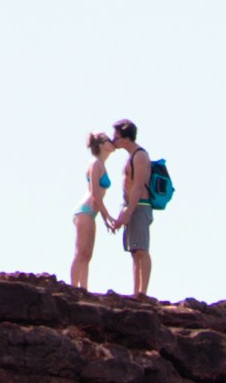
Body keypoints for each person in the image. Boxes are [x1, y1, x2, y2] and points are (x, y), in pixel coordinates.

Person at [112, 116, 162, 302]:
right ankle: (136, 292)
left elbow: (139, 186)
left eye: (116, 137)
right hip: (131, 207)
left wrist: (128, 212)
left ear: (126, 138)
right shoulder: (130, 157)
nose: (114, 140)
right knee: (134, 251)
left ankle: (143, 292)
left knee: (141, 249)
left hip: (139, 207)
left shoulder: (140, 156)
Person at [69, 125, 114, 290]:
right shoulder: (95, 163)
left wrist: (103, 216)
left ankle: (83, 288)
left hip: (92, 213)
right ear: (101, 145)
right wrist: (106, 216)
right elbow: (95, 193)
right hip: (85, 211)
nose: (112, 142)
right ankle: (73, 287)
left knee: (87, 254)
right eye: (108, 140)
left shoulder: (101, 164)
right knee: (80, 251)